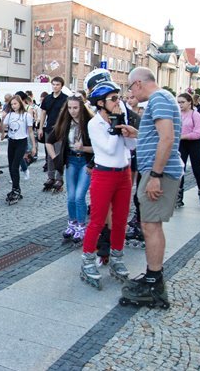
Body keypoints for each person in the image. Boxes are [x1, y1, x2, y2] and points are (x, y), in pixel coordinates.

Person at [116, 67, 183, 309]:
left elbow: (167, 138)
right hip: (156, 171)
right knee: (149, 224)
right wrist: (137, 133)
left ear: (139, 84)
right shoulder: (161, 99)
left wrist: (155, 175)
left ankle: (155, 284)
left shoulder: (159, 99)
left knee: (151, 225)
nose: (130, 91)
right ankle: (153, 276)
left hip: (160, 173)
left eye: (130, 86)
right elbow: (158, 135)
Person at [79, 80, 136, 290]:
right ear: (101, 103)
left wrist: (127, 131)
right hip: (104, 175)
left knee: (121, 220)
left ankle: (117, 256)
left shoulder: (120, 117)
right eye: (113, 99)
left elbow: (131, 146)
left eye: (118, 97)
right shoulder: (95, 124)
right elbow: (109, 150)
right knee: (97, 219)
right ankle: (87, 260)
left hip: (124, 174)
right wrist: (115, 128)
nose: (118, 102)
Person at [45, 95, 94, 243]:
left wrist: (84, 147)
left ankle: (81, 225)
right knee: (71, 196)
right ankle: (72, 223)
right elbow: (49, 141)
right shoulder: (66, 123)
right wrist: (55, 158)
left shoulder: (90, 123)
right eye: (70, 108)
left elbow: (99, 148)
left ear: (81, 107)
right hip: (71, 161)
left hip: (85, 161)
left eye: (75, 108)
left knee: (79, 196)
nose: (72, 111)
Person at [0, 95, 36, 204]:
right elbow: (3, 126)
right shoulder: (10, 115)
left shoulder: (26, 116)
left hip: (22, 141)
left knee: (15, 165)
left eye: (15, 103)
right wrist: (2, 130)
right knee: (11, 166)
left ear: (20, 103)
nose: (13, 106)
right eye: (12, 104)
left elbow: (30, 131)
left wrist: (34, 146)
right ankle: (15, 189)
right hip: (12, 141)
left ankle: (16, 189)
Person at [176, 92, 200, 210]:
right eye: (178, 102)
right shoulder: (178, 114)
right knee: (180, 169)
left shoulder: (195, 114)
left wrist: (182, 136)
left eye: (182, 102)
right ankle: (179, 194)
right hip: (181, 144)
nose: (180, 105)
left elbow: (198, 133)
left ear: (189, 102)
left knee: (196, 168)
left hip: (193, 143)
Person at [38, 77, 68, 191]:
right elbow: (43, 113)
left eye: (57, 85)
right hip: (49, 129)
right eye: (53, 84)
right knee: (50, 155)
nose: (55, 86)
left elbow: (66, 115)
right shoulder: (47, 98)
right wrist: (40, 128)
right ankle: (50, 177)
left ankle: (59, 178)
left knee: (59, 154)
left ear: (61, 86)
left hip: (60, 130)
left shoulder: (65, 99)